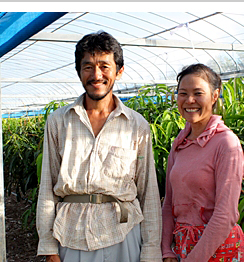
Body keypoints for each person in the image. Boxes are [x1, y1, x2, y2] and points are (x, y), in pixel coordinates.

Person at [36, 31, 162, 262]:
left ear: (119, 71)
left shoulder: (136, 125)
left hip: (123, 231)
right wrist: (48, 245)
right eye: (88, 67)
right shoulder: (58, 121)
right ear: (78, 72)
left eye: (104, 66)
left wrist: (151, 250)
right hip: (71, 234)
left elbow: (148, 191)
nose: (96, 75)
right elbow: (47, 185)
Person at [161, 64, 244, 262]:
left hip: (217, 247)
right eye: (183, 93)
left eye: (198, 93)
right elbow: (168, 204)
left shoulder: (226, 143)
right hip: (182, 245)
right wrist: (166, 249)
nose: (189, 100)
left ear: (215, 96)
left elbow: (225, 214)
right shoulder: (179, 144)